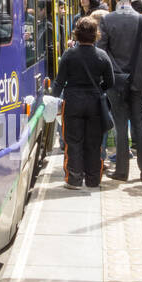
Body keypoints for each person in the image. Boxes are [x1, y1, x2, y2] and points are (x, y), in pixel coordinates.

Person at [98, 0, 142, 182]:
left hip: (116, 80)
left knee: (121, 124)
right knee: (140, 123)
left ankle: (122, 171)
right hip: (139, 80)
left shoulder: (107, 20)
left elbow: (102, 50)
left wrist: (113, 72)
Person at [52, 16, 114, 190]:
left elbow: (59, 81)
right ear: (96, 35)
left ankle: (74, 179)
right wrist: (99, 89)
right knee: (94, 143)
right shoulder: (102, 56)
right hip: (95, 103)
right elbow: (111, 81)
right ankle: (93, 180)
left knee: (73, 141)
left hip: (72, 102)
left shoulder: (69, 54)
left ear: (77, 34)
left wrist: (52, 99)